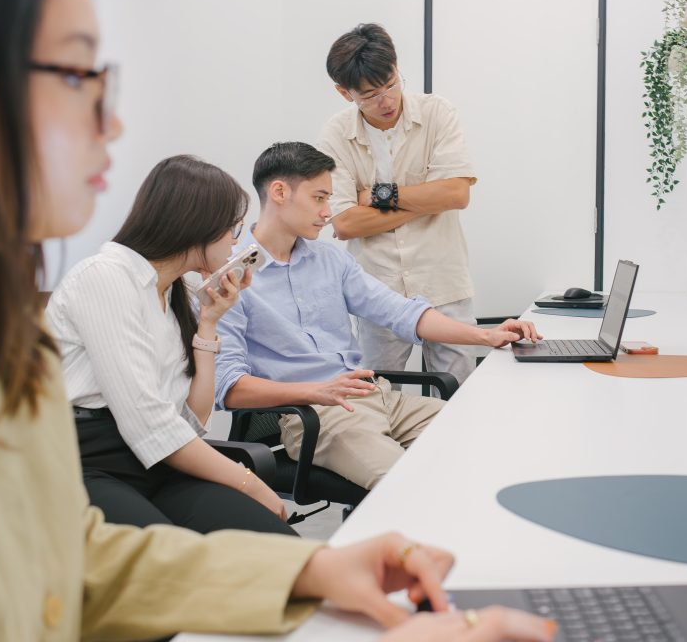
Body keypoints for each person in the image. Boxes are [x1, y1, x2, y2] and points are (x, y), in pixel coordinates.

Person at [0, 0, 553, 639]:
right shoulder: (131, 285)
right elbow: (172, 429)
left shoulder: (8, 335)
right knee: (396, 490)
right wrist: (275, 454)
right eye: (76, 74)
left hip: (331, 402)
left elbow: (75, 554)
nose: (114, 120)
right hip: (278, 423)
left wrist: (311, 574)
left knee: (458, 447)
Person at [215, 142, 541, 490]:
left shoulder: (330, 260)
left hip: (377, 397)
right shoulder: (230, 278)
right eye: (319, 198)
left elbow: (400, 312)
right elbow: (229, 387)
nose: (328, 212)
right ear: (279, 192)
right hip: (317, 418)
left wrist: (487, 337)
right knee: (409, 486)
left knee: (493, 442)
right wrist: (317, 390)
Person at [46, 154, 292, 535]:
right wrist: (250, 482)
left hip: (159, 459)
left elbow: (193, 421)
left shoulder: (177, 292)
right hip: (88, 460)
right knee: (177, 561)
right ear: (199, 225)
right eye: (234, 229)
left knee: (275, 542)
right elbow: (149, 424)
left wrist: (209, 324)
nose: (236, 242)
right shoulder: (106, 278)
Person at [318, 23, 480, 386]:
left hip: (444, 281)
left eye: (391, 83)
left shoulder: (438, 113)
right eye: (371, 94)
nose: (386, 101)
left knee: (461, 394)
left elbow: (456, 195)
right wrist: (427, 198)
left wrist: (377, 197)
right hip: (378, 290)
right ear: (345, 93)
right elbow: (344, 224)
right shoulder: (334, 134)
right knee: (376, 397)